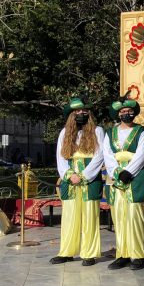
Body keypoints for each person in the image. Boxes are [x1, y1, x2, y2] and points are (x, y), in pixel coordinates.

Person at [50, 97, 105, 266]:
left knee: (89, 217)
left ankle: (89, 253)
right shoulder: (64, 133)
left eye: (84, 111)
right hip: (70, 180)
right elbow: (61, 158)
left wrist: (83, 175)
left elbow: (99, 156)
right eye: (77, 111)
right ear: (71, 114)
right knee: (69, 217)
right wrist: (69, 175)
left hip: (89, 180)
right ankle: (66, 252)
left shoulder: (97, 131)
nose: (81, 113)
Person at [103, 97, 144, 271]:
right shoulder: (109, 133)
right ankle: (122, 254)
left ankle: (137, 255)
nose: (126, 114)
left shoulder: (142, 132)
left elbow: (141, 154)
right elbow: (107, 155)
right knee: (118, 217)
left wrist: (127, 172)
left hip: (134, 177)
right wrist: (116, 172)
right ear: (118, 114)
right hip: (115, 177)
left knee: (134, 216)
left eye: (129, 111)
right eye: (122, 112)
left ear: (134, 113)